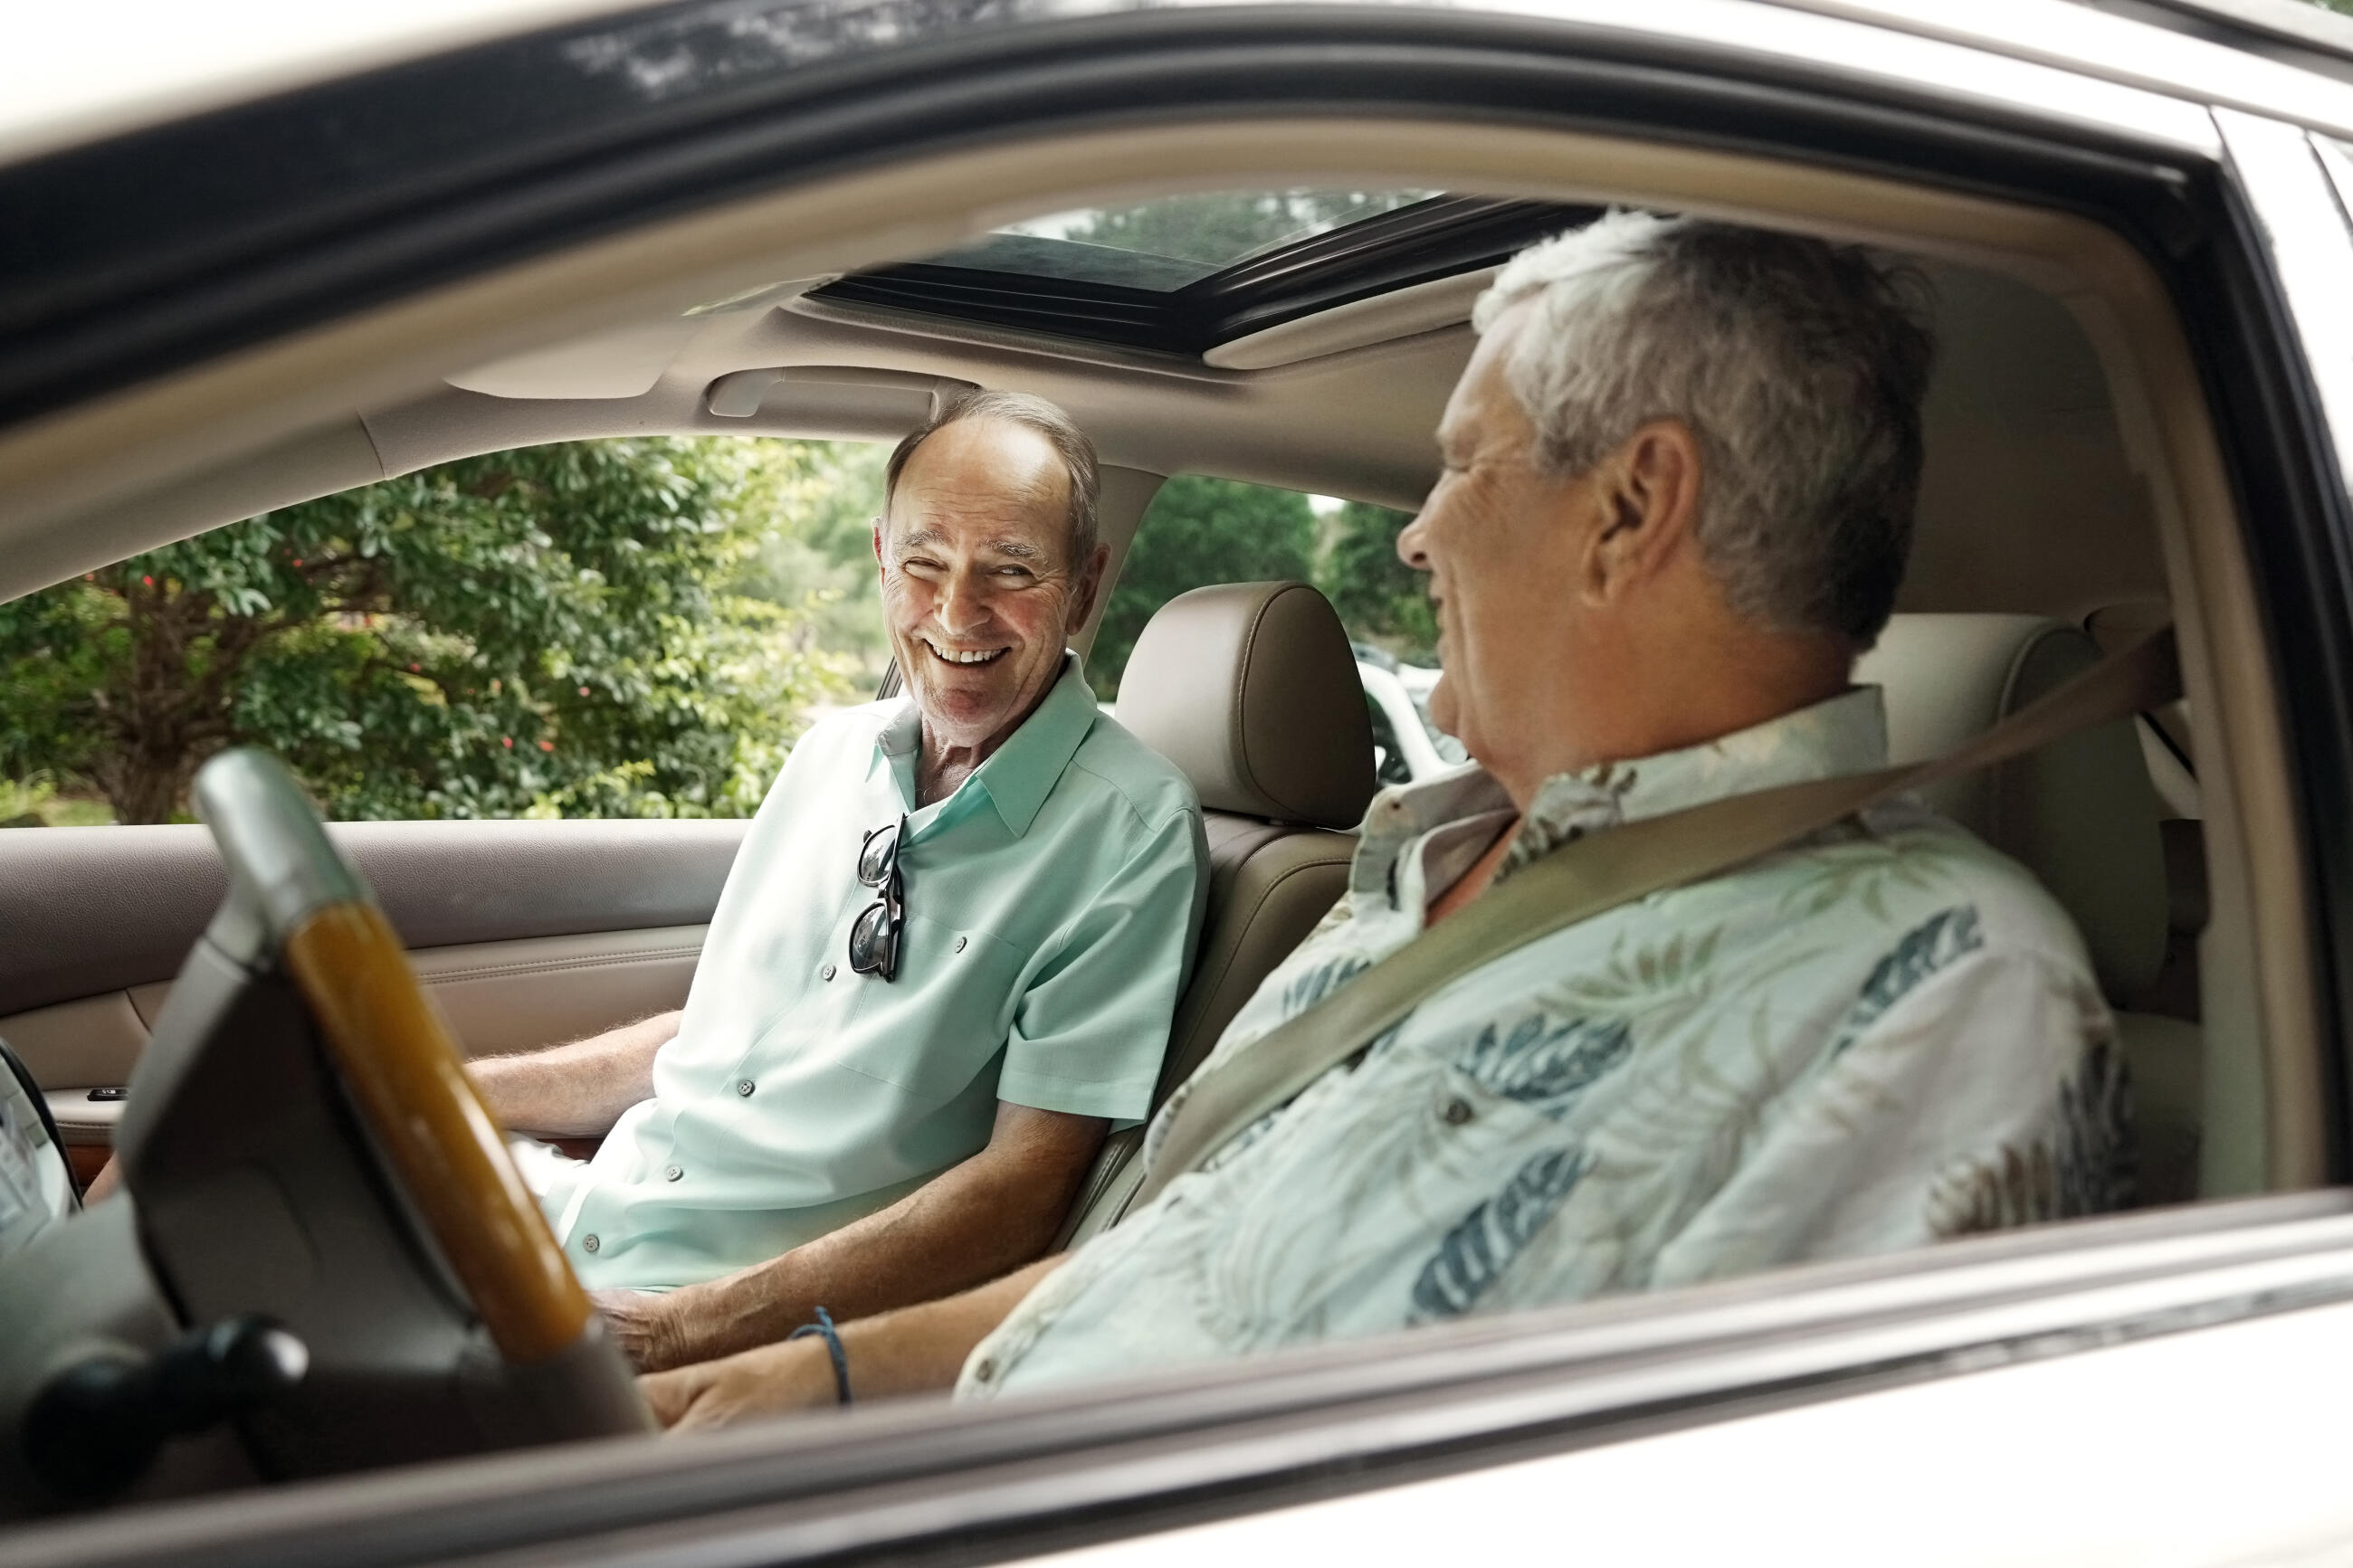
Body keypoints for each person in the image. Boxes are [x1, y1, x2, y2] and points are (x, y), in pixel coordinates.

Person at [637, 214, 2129, 1429]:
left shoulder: (1942, 984)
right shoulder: (1413, 874)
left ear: (1634, 505)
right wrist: (810, 1371)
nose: (1416, 530)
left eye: (1465, 463)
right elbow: (1137, 1275)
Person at [471, 390, 1207, 1373]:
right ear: (877, 558)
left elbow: (1019, 1193)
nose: (956, 611)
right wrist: (459, 1093)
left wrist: (687, 1324)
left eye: (1012, 570)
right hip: (590, 1214)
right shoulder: (832, 754)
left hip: (718, 1332)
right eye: (924, 562)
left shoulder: (1133, 830)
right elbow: (715, 1039)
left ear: (1083, 587)